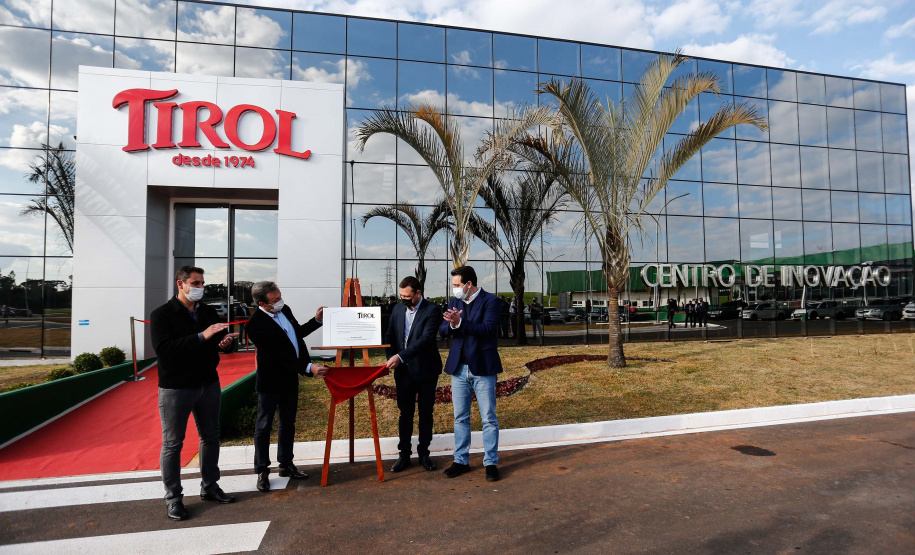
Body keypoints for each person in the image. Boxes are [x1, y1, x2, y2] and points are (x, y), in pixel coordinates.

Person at [150, 266, 238, 522]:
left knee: (210, 436)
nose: (200, 287)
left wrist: (223, 344)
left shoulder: (208, 311)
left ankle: (210, 487)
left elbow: (216, 344)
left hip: (208, 383)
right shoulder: (162, 314)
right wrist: (202, 335)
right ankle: (174, 499)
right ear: (181, 284)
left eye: (202, 282)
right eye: (195, 282)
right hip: (176, 388)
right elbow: (164, 349)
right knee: (173, 443)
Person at [244, 281, 329, 493]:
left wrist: (316, 321)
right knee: (263, 427)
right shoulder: (255, 325)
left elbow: (296, 334)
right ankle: (262, 470)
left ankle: (286, 464)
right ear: (262, 303)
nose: (281, 301)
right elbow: (278, 355)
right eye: (275, 300)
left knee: (288, 423)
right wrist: (309, 367)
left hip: (290, 379)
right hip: (270, 382)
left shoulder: (285, 310)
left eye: (281, 296)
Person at [439, 266, 503, 482]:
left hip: (483, 367)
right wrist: (451, 324)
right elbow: (443, 330)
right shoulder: (455, 302)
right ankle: (461, 461)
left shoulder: (491, 301)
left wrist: (461, 323)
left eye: (457, 285)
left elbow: (487, 329)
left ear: (469, 284)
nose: (455, 289)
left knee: (488, 418)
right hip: (458, 368)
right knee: (460, 418)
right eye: (454, 285)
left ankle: (491, 463)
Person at [383, 276, 444, 473]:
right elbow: (390, 335)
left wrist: (400, 357)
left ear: (418, 293)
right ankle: (404, 455)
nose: (404, 300)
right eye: (401, 296)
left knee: (426, 414)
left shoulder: (432, 310)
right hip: (403, 372)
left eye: (407, 297)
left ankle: (424, 454)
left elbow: (426, 340)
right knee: (405, 414)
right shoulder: (398, 309)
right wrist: (391, 356)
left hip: (426, 370)